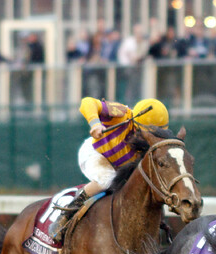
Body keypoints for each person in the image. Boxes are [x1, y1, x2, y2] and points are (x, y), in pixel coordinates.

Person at [48, 97, 170, 239]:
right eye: (149, 134)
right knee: (107, 179)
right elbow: (88, 102)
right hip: (96, 152)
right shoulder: (121, 113)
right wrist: (95, 123)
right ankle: (66, 215)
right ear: (135, 122)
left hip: (120, 166)